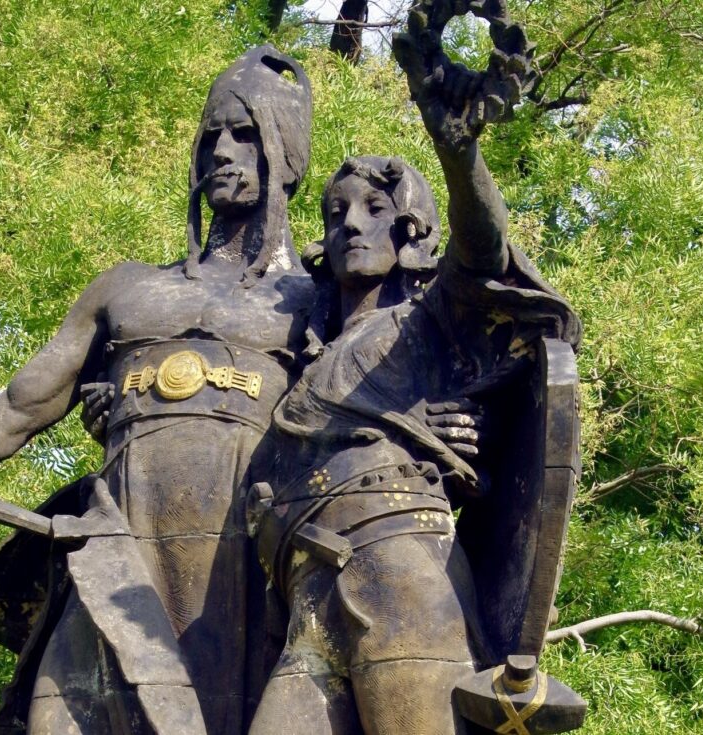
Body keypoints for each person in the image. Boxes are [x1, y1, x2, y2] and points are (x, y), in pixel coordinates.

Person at [0, 46, 316, 735]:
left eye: (245, 133)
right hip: (120, 551)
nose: (223, 152)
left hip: (243, 572)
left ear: (286, 150)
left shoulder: (317, 300)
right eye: (211, 137)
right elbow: (16, 410)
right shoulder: (127, 287)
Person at [245, 79, 580, 735]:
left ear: (412, 231)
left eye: (375, 208)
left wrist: (458, 153)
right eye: (337, 212)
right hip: (309, 596)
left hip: (397, 563)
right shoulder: (308, 360)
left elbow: (484, 246)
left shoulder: (426, 323)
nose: (350, 223)